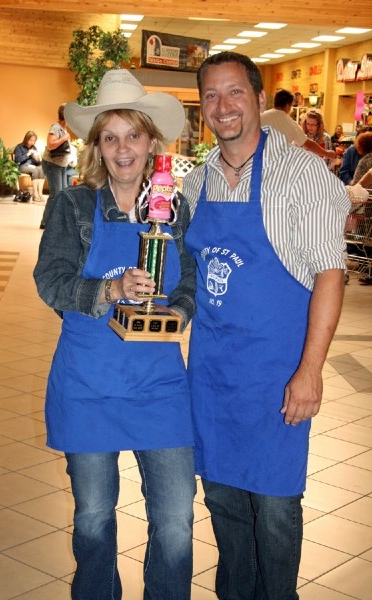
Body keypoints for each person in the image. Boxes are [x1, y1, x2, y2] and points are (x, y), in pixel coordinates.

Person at [182, 52, 350, 600]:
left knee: (276, 508)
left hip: (278, 376)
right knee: (225, 503)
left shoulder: (303, 175)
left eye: (234, 93)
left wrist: (311, 371)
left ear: (258, 99)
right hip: (211, 376)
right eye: (211, 95)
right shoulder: (194, 184)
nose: (223, 106)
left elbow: (331, 273)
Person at [33, 68, 196, 600]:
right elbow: (50, 280)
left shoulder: (176, 211)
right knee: (94, 521)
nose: (122, 149)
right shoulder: (73, 206)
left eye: (133, 135)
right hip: (87, 383)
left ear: (151, 142)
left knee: (174, 524)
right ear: (96, 146)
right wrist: (107, 290)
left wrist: (175, 311)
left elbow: (189, 280)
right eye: (110, 137)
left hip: (160, 385)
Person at [260, 90, 336, 162]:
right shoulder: (290, 124)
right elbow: (308, 144)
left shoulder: (259, 117)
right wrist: (327, 153)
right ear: (287, 105)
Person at [40, 103, 71, 228]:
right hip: (52, 164)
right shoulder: (55, 127)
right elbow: (51, 145)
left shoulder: (63, 129)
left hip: (61, 165)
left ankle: (56, 222)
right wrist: (65, 138)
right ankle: (45, 222)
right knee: (56, 194)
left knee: (62, 194)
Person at [14, 130, 46, 202]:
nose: (32, 142)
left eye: (34, 140)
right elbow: (18, 160)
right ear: (26, 139)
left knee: (41, 169)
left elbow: (37, 163)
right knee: (35, 170)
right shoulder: (19, 147)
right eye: (31, 140)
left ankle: (40, 193)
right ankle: (35, 194)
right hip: (22, 166)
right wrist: (27, 154)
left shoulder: (34, 148)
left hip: (32, 165)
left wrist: (38, 159)